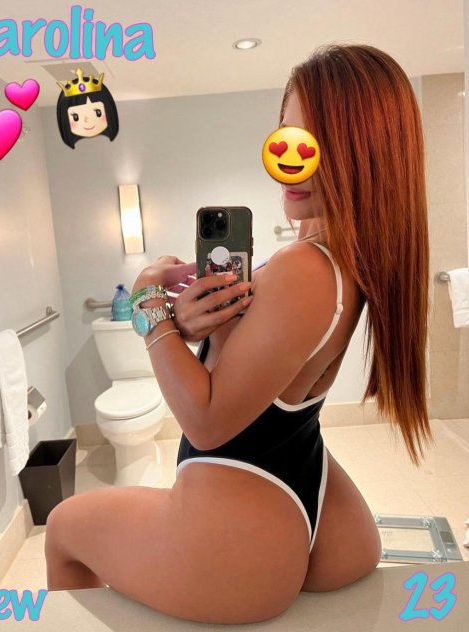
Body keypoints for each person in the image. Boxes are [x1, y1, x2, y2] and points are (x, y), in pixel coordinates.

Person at [45, 43, 433, 624]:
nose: (290, 161)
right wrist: (189, 329)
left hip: (240, 517)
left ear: (365, 153)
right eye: (286, 136)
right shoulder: (340, 257)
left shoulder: (305, 267)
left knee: (61, 528)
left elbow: (205, 423)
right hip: (310, 486)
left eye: (318, 144)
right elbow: (259, 376)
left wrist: (149, 302)